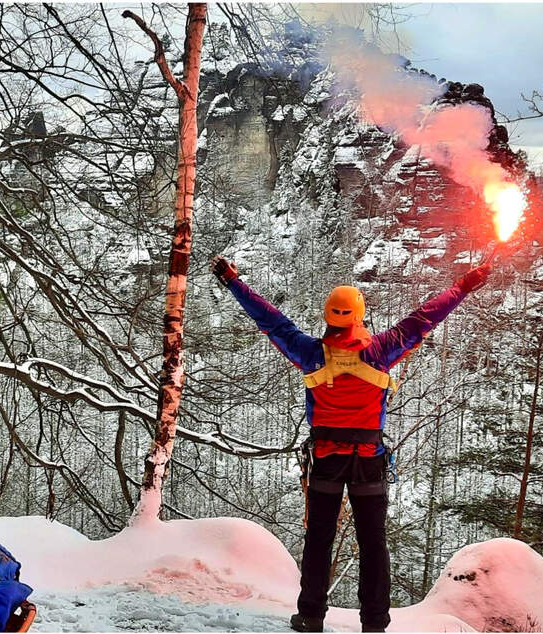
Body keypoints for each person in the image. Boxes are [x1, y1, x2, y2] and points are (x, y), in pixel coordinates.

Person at [210, 255, 491, 633]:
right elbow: (425, 318)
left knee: (319, 539)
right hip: (368, 461)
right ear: (359, 317)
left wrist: (232, 282)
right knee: (373, 544)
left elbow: (270, 320)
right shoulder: (380, 351)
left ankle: (310, 616)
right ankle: (374, 623)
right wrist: (462, 287)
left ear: (329, 317)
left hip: (326, 460)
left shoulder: (310, 354)